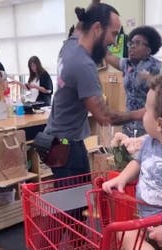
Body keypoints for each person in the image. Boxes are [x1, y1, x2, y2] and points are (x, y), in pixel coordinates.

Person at [44, 3, 141, 179]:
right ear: (97, 28)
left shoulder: (69, 46)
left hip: (58, 139)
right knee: (75, 202)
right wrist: (142, 113)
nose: (113, 41)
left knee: (73, 197)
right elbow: (104, 117)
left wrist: (91, 11)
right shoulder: (83, 64)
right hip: (66, 146)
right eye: (113, 33)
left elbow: (82, 26)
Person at [102, 74, 162, 250]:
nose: (143, 114)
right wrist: (122, 178)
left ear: (158, 123)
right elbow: (137, 163)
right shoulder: (149, 142)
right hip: (144, 218)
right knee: (121, 234)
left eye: (146, 110)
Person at [105, 25, 162, 137]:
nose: (132, 46)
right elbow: (108, 55)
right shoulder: (126, 64)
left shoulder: (158, 68)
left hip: (148, 125)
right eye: (131, 43)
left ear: (148, 50)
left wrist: (151, 78)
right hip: (128, 124)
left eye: (137, 43)